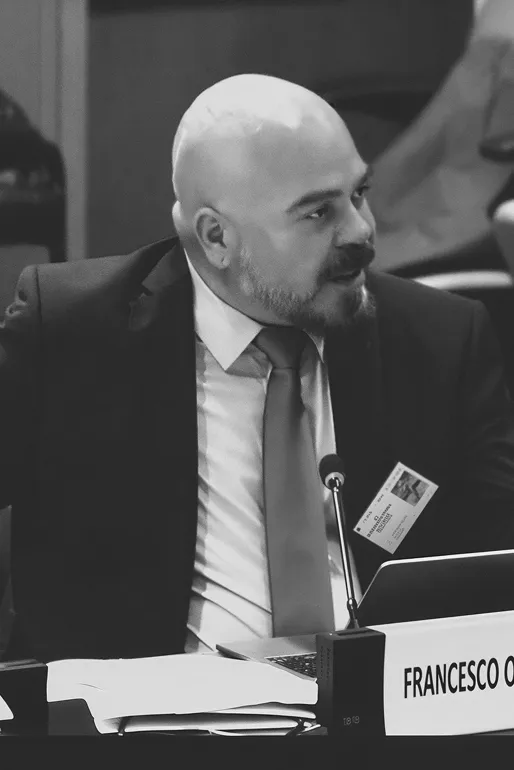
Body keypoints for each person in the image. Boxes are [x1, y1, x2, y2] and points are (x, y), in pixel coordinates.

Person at [1, 73, 514, 664]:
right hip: (146, 727)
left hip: (378, 723)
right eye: (318, 214)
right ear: (216, 238)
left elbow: (499, 563)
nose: (361, 233)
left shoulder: (441, 339)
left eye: (359, 194)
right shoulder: (72, 332)